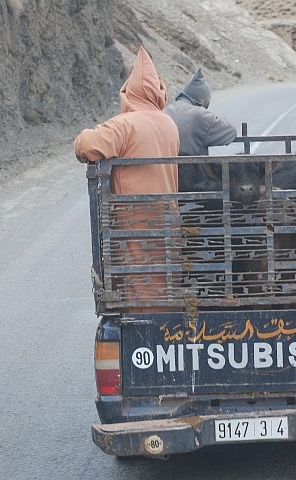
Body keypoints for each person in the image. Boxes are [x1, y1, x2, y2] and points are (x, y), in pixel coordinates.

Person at [74, 45, 180, 312]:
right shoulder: (169, 124)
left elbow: (87, 144)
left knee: (140, 297)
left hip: (136, 224)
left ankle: (146, 347)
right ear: (159, 91)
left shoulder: (126, 125)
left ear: (128, 92)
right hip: (168, 220)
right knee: (164, 286)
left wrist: (78, 142)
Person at [162, 69, 237, 156]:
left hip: (166, 168)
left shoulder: (165, 111)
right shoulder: (200, 115)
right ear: (203, 100)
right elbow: (231, 131)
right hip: (191, 168)